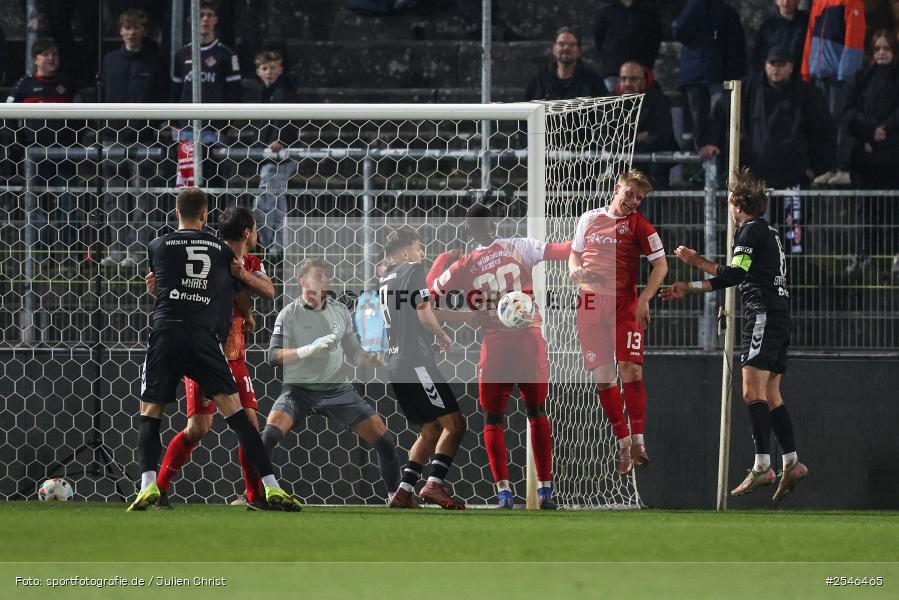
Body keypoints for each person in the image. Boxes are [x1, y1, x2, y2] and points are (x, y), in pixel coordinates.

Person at [129, 188, 302, 512]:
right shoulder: (221, 254)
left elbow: (166, 285)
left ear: (176, 212)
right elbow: (243, 288)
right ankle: (268, 488)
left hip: (171, 335)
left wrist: (245, 308)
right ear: (205, 214)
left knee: (151, 413)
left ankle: (149, 485)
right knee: (216, 424)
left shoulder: (159, 246)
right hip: (209, 342)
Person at [660, 168, 808, 503]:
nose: (729, 205)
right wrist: (690, 289)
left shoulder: (749, 232)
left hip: (763, 315)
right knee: (771, 393)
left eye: (730, 201)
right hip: (779, 315)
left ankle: (762, 466)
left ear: (738, 205)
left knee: (750, 391)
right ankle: (792, 462)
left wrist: (697, 263)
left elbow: (735, 274)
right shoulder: (768, 232)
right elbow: (738, 276)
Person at [425, 204, 572, 509]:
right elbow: (563, 250)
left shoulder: (463, 265)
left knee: (493, 419)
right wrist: (586, 239)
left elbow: (429, 292)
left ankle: (504, 493)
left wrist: (442, 260)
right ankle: (546, 490)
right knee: (537, 413)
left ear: (468, 231)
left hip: (495, 348)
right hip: (529, 342)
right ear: (495, 223)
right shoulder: (519, 246)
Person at [260, 258, 400, 503]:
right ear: (301, 280)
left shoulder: (340, 310)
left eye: (327, 274)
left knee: (385, 439)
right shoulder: (288, 314)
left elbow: (354, 352)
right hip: (298, 391)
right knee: (267, 437)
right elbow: (273, 356)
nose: (325, 278)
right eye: (319, 274)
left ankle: (395, 496)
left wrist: (370, 357)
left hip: (338, 391)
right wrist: (306, 350)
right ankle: (256, 492)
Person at [568, 170, 668, 475]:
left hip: (624, 306)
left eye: (640, 198)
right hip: (590, 306)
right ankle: (623, 445)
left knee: (631, 369)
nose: (634, 201)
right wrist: (575, 273)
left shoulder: (641, 225)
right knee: (603, 377)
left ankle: (639, 441)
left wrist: (644, 299)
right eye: (630, 194)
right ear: (617, 189)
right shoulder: (588, 219)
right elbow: (574, 257)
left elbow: (661, 266)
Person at [698, 46, 836, 255]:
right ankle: (754, 282)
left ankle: (793, 281)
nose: (776, 69)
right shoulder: (746, 89)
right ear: (765, 65)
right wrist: (708, 142)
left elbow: (825, 131)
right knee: (752, 239)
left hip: (794, 179)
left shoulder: (807, 94)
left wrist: (816, 168)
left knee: (794, 239)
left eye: (782, 64)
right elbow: (719, 115)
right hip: (755, 181)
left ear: (791, 67)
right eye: (773, 64)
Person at [378, 227, 467, 510]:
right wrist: (442, 335)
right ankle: (434, 484)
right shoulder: (412, 269)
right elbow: (423, 309)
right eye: (418, 247)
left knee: (430, 428)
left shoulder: (384, 279)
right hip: (416, 361)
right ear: (404, 252)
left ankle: (404, 491)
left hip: (394, 364)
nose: (421, 253)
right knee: (454, 425)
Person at [99, 8, 168, 270]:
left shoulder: (155, 61)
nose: (131, 32)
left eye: (136, 27)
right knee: (113, 197)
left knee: (143, 198)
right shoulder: (109, 60)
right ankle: (115, 248)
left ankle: (136, 250)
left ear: (143, 31)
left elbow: (162, 96)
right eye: (127, 27)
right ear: (120, 31)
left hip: (144, 137)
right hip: (112, 136)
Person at [6, 38, 81, 267]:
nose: (50, 59)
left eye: (54, 54)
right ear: (35, 59)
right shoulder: (24, 86)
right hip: (35, 156)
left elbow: (81, 117)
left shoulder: (67, 85)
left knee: (67, 205)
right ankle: (42, 257)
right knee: (38, 208)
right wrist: (21, 144)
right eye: (45, 54)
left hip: (65, 154)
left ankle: (72, 256)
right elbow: (8, 117)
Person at [843, 29, 899, 275]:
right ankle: (865, 254)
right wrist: (869, 133)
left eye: (886, 48)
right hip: (865, 156)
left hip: (893, 156)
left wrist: (884, 131)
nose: (882, 53)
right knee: (865, 210)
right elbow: (847, 113)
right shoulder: (860, 78)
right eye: (878, 49)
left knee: (893, 209)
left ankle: (894, 255)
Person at [803, 0, 867, 186]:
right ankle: (829, 167)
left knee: (840, 121)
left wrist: (846, 73)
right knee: (825, 123)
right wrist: (807, 70)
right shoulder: (818, 3)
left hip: (838, 75)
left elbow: (854, 36)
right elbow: (810, 34)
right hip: (821, 74)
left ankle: (842, 168)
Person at [672, 0, 746, 150]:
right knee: (698, 122)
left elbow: (736, 48)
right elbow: (680, 32)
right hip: (695, 76)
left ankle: (714, 164)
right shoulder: (692, 7)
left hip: (718, 77)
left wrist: (734, 76)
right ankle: (702, 166)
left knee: (718, 121)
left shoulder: (727, 12)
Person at [251, 50, 299, 262]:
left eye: (272, 67)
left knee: (265, 201)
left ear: (280, 69)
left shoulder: (284, 91)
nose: (269, 72)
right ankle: (276, 248)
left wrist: (281, 140)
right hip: (270, 155)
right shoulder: (265, 92)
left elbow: (289, 120)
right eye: (264, 68)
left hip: (280, 155)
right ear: (258, 71)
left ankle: (270, 246)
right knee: (277, 202)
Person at [616, 61, 676, 189]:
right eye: (624, 78)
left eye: (633, 79)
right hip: (621, 171)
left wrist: (626, 139)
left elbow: (660, 135)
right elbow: (606, 136)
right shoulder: (611, 102)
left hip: (653, 173)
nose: (627, 83)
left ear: (643, 82)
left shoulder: (658, 101)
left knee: (652, 208)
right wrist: (638, 137)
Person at [593, 0, 663, 92]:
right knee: (612, 104)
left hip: (640, 72)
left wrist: (646, 66)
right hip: (613, 71)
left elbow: (654, 41)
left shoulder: (648, 12)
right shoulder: (605, 11)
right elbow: (599, 40)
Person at [525, 27, 607, 101]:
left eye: (572, 45)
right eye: (561, 44)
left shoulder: (593, 81)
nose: (566, 48)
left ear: (579, 50)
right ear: (554, 49)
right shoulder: (538, 81)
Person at [752, 0, 810, 75]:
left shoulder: (806, 24)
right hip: (772, 78)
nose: (786, 2)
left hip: (799, 78)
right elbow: (759, 55)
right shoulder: (769, 25)